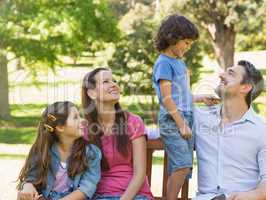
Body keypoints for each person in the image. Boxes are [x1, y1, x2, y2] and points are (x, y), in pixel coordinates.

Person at [193, 60, 266, 200]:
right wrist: (195, 98)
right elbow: (167, 113)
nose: (221, 75)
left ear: (245, 87)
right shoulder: (200, 117)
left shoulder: (264, 131)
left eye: (230, 73)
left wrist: (250, 196)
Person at [152, 14, 218, 200]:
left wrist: (200, 98)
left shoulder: (178, 62)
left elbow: (180, 96)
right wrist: (181, 124)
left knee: (185, 167)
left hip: (186, 118)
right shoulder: (164, 63)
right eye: (186, 43)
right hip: (173, 120)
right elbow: (166, 99)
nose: (188, 48)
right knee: (182, 165)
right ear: (172, 38)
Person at [81, 68, 153, 200]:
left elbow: (140, 173)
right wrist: (29, 183)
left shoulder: (133, 122)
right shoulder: (84, 129)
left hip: (134, 195)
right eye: (106, 81)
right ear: (91, 93)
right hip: (99, 196)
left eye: (114, 81)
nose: (114, 84)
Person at [17, 101, 102, 200]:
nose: (82, 120)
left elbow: (87, 188)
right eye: (75, 117)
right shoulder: (43, 150)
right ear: (60, 127)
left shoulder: (91, 153)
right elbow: (31, 178)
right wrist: (27, 185)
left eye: (80, 116)